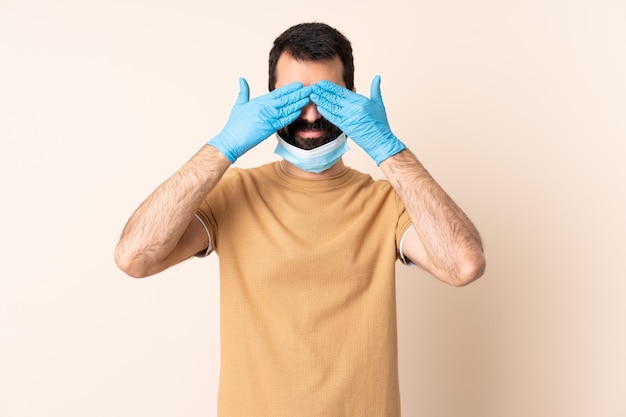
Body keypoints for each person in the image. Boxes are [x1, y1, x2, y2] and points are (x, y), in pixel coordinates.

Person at [115, 22, 485, 417]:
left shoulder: (386, 203)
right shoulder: (233, 195)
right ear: (269, 103)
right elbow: (135, 257)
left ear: (353, 102)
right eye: (292, 99)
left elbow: (464, 265)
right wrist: (221, 148)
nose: (310, 114)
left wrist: (387, 148)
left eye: (328, 98)